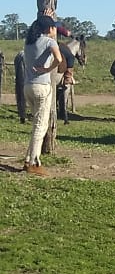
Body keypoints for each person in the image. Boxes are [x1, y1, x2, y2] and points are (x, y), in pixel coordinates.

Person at [22, 15, 63, 175]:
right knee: (41, 125)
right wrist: (47, 69)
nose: (56, 31)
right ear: (49, 29)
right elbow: (59, 58)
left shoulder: (29, 42)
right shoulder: (49, 42)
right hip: (42, 87)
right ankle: (34, 162)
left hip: (28, 87)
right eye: (54, 28)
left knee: (36, 124)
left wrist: (45, 17)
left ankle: (28, 158)